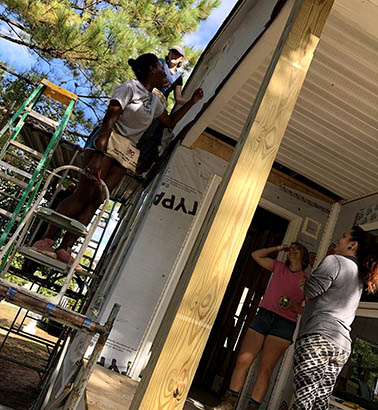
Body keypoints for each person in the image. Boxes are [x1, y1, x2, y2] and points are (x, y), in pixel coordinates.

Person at [32, 53, 203, 267]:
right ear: (150, 69)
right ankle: (45, 240)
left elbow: (168, 121)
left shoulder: (154, 99)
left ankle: (65, 247)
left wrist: (193, 103)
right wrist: (98, 153)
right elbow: (110, 117)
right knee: (85, 194)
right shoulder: (129, 88)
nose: (164, 73)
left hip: (126, 152)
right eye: (160, 67)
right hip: (106, 143)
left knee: (98, 199)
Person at [214, 242, 310, 410]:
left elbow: (309, 310)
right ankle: (228, 404)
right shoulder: (279, 267)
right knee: (243, 360)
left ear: (304, 256)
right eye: (291, 248)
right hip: (263, 316)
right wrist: (278, 248)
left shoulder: (307, 280)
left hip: (284, 324)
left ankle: (252, 408)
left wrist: (294, 307)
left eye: (297, 249)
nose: (292, 250)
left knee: (265, 369)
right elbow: (256, 255)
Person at [291, 226, 378, 410]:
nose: (339, 239)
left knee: (303, 401)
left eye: (343, 236)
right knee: (318, 404)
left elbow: (312, 291)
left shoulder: (335, 261)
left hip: (318, 339)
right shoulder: (359, 275)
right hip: (341, 346)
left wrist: (305, 284)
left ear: (352, 245)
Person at [136, 45, 188, 173]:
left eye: (177, 54)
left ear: (181, 59)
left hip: (158, 104)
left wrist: (193, 101)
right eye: (172, 52)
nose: (173, 55)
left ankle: (140, 162)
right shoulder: (160, 62)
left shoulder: (178, 78)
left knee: (153, 134)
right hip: (147, 95)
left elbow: (178, 98)